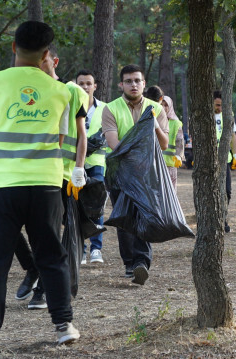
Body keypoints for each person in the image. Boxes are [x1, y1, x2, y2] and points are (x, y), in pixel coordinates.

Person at [0, 21, 80, 356]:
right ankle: (63, 326)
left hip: (1, 185)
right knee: (52, 257)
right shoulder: (62, 92)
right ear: (46, 55)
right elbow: (60, 137)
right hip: (46, 187)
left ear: (13, 47)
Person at [13, 46, 88, 310]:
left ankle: (42, 290)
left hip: (62, 174)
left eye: (42, 61)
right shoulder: (29, 93)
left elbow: (81, 135)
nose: (37, 66)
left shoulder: (71, 91)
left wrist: (79, 169)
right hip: (29, 172)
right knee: (12, 229)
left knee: (50, 234)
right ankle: (32, 268)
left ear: (53, 61)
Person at [102, 64, 169, 286]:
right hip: (120, 172)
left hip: (148, 173)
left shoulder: (156, 108)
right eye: (129, 81)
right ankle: (129, 262)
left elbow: (164, 143)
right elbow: (114, 144)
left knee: (143, 214)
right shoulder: (111, 109)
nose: (133, 84)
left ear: (143, 83)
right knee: (124, 218)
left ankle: (141, 262)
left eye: (137, 80)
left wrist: (153, 124)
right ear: (121, 84)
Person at [76, 69, 106, 264]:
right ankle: (81, 248)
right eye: (81, 83)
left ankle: (96, 248)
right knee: (77, 206)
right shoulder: (69, 106)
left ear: (95, 86)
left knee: (97, 206)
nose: (85, 87)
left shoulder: (105, 108)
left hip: (97, 164)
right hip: (75, 162)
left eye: (89, 83)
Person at [144, 86, 184, 189]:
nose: (164, 108)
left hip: (169, 164)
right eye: (162, 105)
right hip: (153, 164)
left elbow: (179, 141)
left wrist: (179, 155)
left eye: (167, 105)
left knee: (170, 192)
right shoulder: (150, 118)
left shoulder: (175, 123)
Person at [213, 90, 236, 233]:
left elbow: (233, 136)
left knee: (227, 191)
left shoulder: (228, 116)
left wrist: (235, 155)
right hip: (210, 161)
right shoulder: (205, 116)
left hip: (225, 160)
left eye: (222, 105)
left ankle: (223, 217)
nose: (220, 108)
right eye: (217, 105)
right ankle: (212, 220)